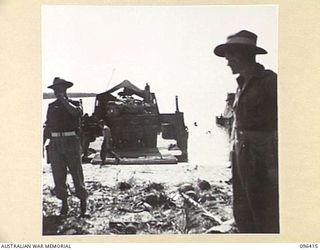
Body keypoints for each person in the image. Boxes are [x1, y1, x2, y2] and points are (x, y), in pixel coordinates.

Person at [214, 30, 279, 233]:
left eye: (230, 57)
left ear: (243, 55)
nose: (227, 62)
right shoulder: (240, 86)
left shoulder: (270, 82)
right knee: (242, 209)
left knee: (265, 210)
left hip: (263, 156)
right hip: (242, 154)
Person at [43, 77, 89, 217]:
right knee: (58, 176)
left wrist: (64, 100)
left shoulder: (75, 104)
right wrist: (42, 143)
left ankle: (83, 205)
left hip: (71, 142)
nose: (58, 92)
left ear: (66, 89)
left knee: (76, 174)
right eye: (56, 90)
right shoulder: (51, 106)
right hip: (56, 143)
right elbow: (48, 126)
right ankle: (64, 205)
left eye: (60, 89)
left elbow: (76, 113)